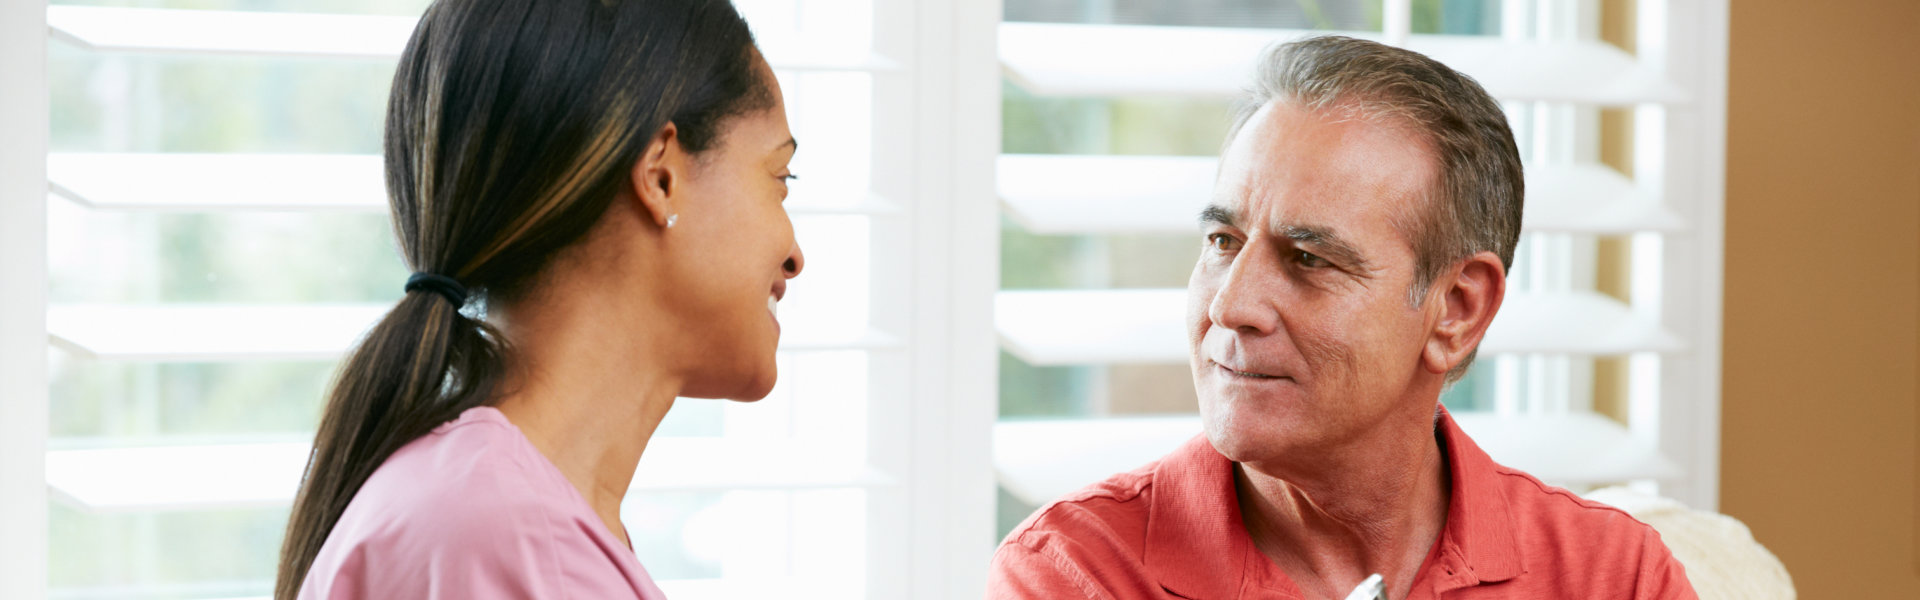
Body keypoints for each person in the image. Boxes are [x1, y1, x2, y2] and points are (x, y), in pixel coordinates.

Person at [987, 36, 1696, 599]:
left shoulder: (1614, 577)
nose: (1230, 306)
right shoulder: (1075, 574)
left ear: (1456, 309)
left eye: (1307, 259)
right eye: (1222, 242)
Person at [274, 0, 804, 597]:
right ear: (661, 176)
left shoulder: (505, 518)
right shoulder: (505, 537)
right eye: (779, 179)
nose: (795, 255)